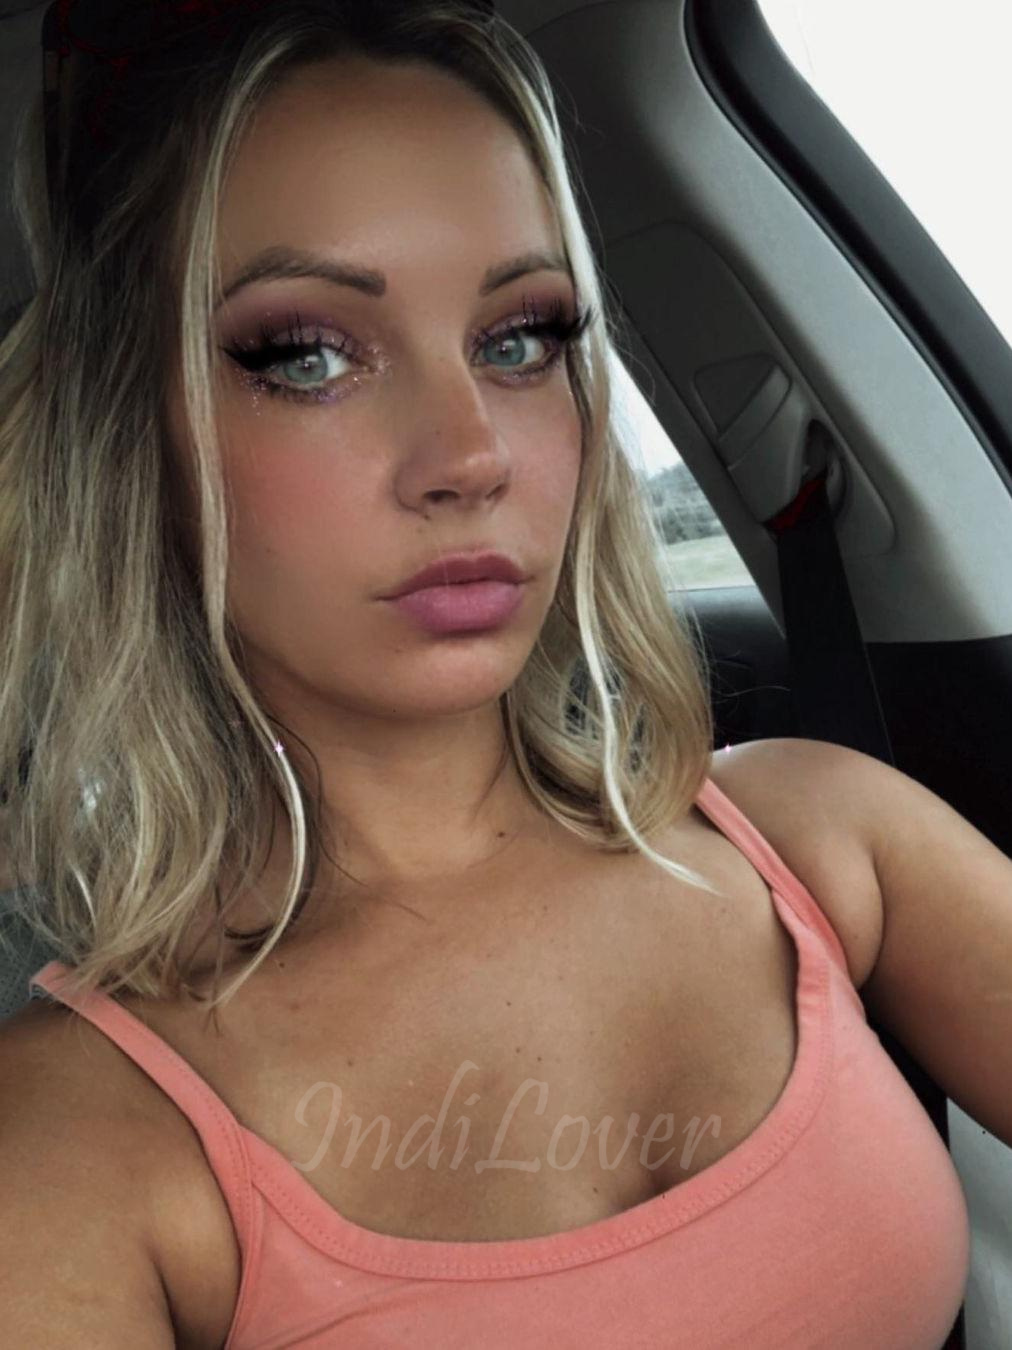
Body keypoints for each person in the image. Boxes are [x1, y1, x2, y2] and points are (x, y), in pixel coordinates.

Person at [0, 3, 970, 1346]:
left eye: (521, 339)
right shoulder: (74, 1141)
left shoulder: (817, 836)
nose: (471, 454)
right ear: (131, 433)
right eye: (307, 354)